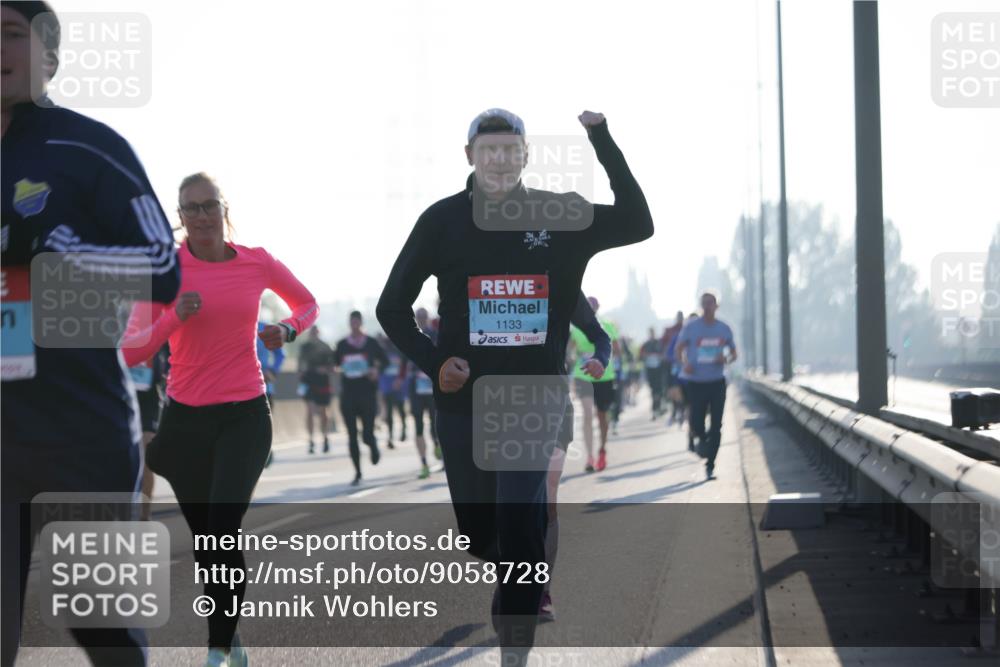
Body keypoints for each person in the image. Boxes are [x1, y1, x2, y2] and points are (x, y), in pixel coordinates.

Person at [377, 108, 652, 657]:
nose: (500, 160)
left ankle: (518, 628)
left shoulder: (558, 215)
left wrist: (601, 139)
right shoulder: (442, 221)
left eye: (511, 150)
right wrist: (435, 363)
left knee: (517, 514)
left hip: (533, 396)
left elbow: (638, 221)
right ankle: (517, 575)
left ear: (526, 156)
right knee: (482, 535)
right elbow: (391, 308)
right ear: (470, 157)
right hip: (463, 400)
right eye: (489, 150)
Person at [2, 3, 180, 665]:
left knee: (104, 632)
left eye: (11, 34)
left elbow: (164, 268)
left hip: (79, 433)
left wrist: (61, 254)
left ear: (48, 55)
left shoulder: (89, 147)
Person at [122, 172, 318, 667]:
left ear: (224, 210)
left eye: (210, 205)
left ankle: (215, 650)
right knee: (208, 544)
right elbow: (132, 351)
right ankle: (229, 639)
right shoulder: (164, 271)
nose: (202, 216)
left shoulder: (256, 262)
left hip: (245, 415)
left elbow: (307, 304)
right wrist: (172, 318)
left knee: (223, 531)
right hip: (186, 422)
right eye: (191, 208)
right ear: (180, 218)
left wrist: (286, 329)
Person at [542, 293, 610, 622]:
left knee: (547, 495)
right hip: (500, 401)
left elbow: (600, 336)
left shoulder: (560, 276)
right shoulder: (489, 275)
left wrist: (601, 357)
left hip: (554, 399)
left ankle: (540, 590)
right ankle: (509, 576)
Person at [675, 293, 737, 480]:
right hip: (697, 382)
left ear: (717, 306)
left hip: (717, 382)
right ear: (701, 306)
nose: (708, 306)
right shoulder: (691, 327)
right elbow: (679, 349)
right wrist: (684, 363)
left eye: (711, 303)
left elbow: (734, 353)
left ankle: (711, 464)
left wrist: (725, 358)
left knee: (717, 424)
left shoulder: (724, 328)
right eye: (704, 303)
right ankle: (702, 440)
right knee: (696, 422)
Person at [334, 311, 388, 485]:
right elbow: (334, 364)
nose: (354, 325)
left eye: (357, 322)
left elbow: (385, 362)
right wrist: (338, 368)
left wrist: (376, 371)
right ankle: (357, 472)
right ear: (349, 324)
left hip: (367, 392)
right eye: (352, 323)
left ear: (361, 323)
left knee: (366, 433)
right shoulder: (342, 344)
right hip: (348, 393)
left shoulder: (371, 343)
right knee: (351, 435)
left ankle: (372, 445)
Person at [568, 296, 619, 472]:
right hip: (583, 376)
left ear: (598, 307)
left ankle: (602, 450)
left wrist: (606, 359)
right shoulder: (576, 328)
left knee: (602, 416)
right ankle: (589, 457)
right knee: (587, 414)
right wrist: (573, 357)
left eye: (593, 306)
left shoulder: (608, 325)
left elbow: (616, 349)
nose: (590, 308)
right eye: (588, 306)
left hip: (604, 376)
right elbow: (571, 350)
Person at [129, 343, 169, 520]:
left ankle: (144, 515)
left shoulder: (155, 322)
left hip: (148, 398)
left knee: (145, 455)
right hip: (120, 391)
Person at [401, 307, 440, 478]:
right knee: (418, 426)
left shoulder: (436, 334)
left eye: (424, 316)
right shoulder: (410, 336)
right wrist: (400, 377)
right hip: (416, 387)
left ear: (428, 318)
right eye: (418, 317)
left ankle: (438, 445)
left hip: (432, 385)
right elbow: (403, 360)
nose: (422, 319)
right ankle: (424, 463)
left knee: (435, 423)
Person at [298, 326, 335, 454]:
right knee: (310, 410)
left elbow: (333, 365)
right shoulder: (304, 347)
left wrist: (326, 369)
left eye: (315, 332)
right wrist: (302, 373)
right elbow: (300, 365)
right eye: (311, 332)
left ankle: (325, 437)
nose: (313, 334)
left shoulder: (325, 347)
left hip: (323, 381)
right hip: (309, 382)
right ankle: (311, 440)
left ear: (318, 333)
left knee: (323, 411)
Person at [257, 319, 285, 467]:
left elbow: (280, 355)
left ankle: (266, 449)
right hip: (237, 389)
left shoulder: (265, 328)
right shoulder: (229, 327)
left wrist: (273, 370)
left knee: (263, 428)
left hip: (264, 388)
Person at [377, 333, 407, 449]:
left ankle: (404, 428)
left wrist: (400, 379)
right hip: (387, 385)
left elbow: (404, 365)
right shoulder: (381, 351)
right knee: (388, 412)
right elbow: (378, 366)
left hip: (398, 384)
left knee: (400, 409)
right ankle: (390, 437)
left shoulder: (399, 349)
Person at [662, 311, 685, 426]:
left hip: (689, 369)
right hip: (674, 367)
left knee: (683, 392)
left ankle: (682, 411)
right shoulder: (671, 331)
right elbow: (667, 350)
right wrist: (672, 358)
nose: (680, 319)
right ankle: (676, 411)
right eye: (678, 317)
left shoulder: (688, 330)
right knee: (673, 391)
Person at [639, 326, 666, 419]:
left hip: (659, 370)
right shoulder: (645, 344)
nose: (652, 334)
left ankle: (658, 407)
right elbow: (640, 355)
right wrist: (647, 355)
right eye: (650, 333)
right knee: (653, 389)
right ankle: (655, 409)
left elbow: (663, 354)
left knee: (659, 389)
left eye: (653, 332)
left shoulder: (659, 343)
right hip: (650, 370)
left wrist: (658, 356)